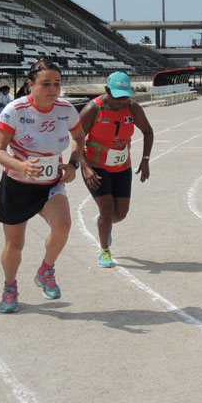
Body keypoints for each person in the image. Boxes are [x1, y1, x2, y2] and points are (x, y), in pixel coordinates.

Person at [0, 59, 86, 313]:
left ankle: (46, 270)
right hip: (17, 185)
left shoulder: (66, 109)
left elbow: (79, 137)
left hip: (49, 184)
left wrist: (73, 164)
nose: (53, 90)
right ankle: (10, 287)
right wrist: (20, 165)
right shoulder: (15, 111)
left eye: (57, 84)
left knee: (63, 226)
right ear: (30, 85)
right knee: (14, 245)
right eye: (46, 84)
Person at [80, 72, 154, 266]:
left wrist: (145, 160)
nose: (121, 101)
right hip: (96, 167)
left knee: (120, 214)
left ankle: (103, 222)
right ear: (107, 90)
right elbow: (77, 140)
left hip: (121, 167)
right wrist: (86, 168)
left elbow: (148, 131)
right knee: (107, 210)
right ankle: (104, 251)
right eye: (117, 97)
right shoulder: (93, 109)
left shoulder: (132, 108)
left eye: (124, 97)